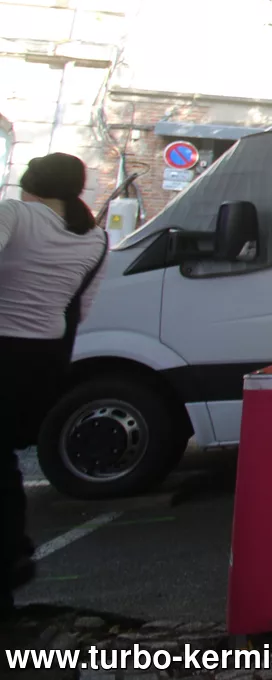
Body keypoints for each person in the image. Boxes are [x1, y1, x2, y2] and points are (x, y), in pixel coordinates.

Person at [0, 154, 108, 613]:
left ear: (31, 185)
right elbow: (81, 310)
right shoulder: (96, 239)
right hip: (41, 361)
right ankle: (10, 558)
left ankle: (11, 557)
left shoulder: (15, 214)